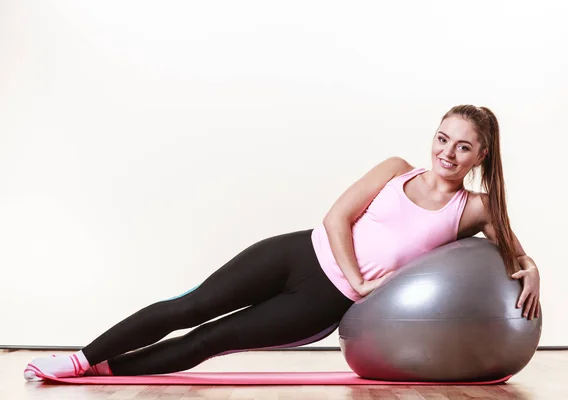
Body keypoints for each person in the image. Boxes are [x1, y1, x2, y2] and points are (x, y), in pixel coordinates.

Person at [24, 104, 541, 380]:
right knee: (191, 305)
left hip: (324, 301)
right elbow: (337, 217)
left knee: (211, 339)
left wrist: (531, 267)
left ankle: (107, 370)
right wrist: (360, 275)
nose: (447, 152)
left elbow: (514, 253)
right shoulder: (395, 169)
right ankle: (78, 358)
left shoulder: (473, 208)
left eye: (463, 146)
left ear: (481, 154)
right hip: (295, 253)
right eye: (442, 138)